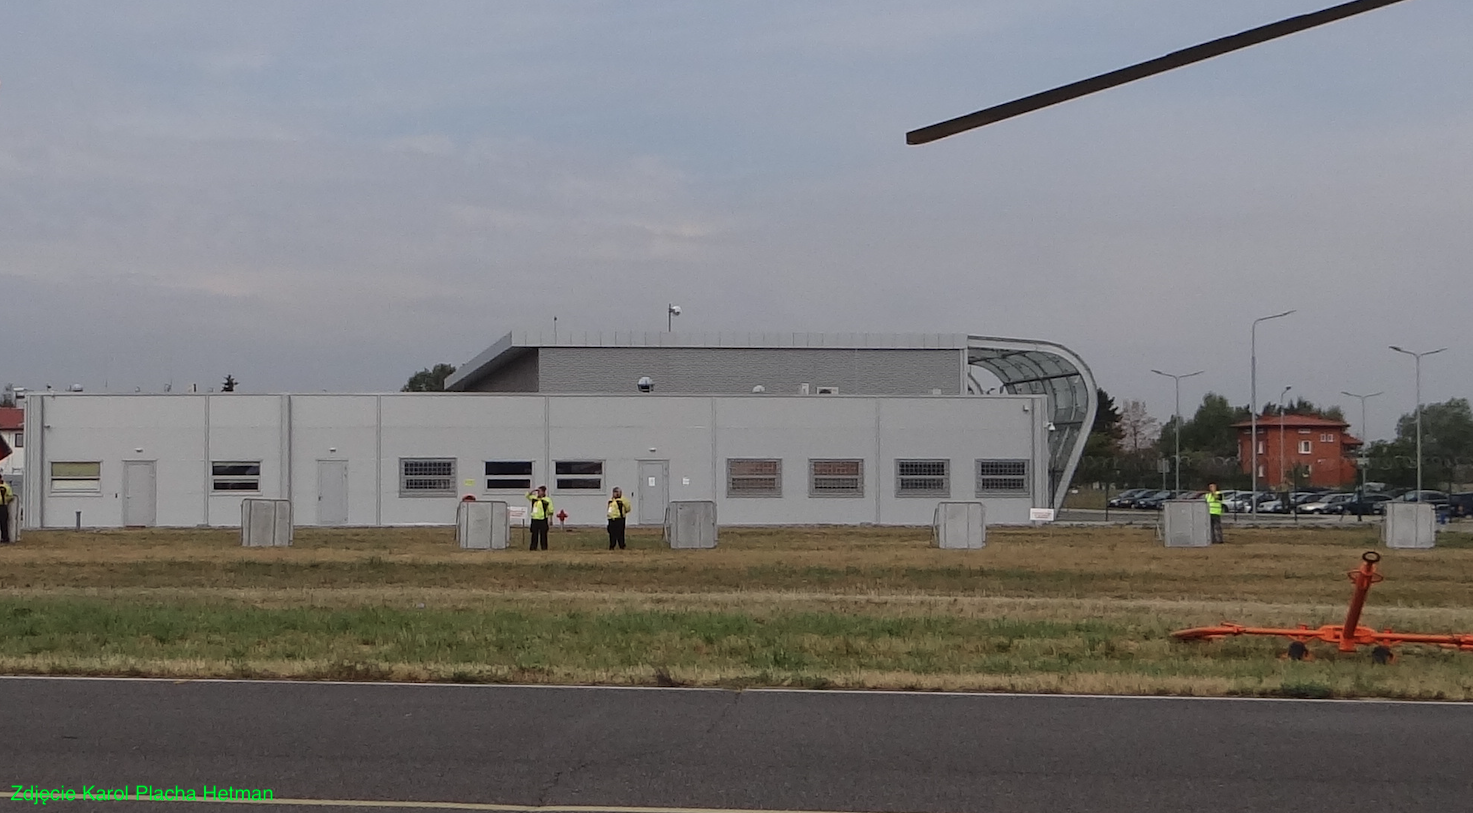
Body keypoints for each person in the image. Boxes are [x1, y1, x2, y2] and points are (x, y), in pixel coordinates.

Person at [526, 486, 553, 551]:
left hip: (543, 519)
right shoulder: (534, 498)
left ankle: (544, 547)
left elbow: (551, 510)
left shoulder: (547, 500)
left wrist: (551, 519)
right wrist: (533, 490)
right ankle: (533, 547)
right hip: (535, 519)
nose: (538, 493)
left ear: (543, 492)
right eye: (538, 491)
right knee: (534, 534)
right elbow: (527, 495)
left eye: (540, 491)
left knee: (543, 535)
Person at [0, 473, 13, 544]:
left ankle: (5, 538)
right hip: (3, 506)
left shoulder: (6, 487)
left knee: (3, 523)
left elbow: (10, 496)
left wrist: (5, 500)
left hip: (2, 506)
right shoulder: (6, 486)